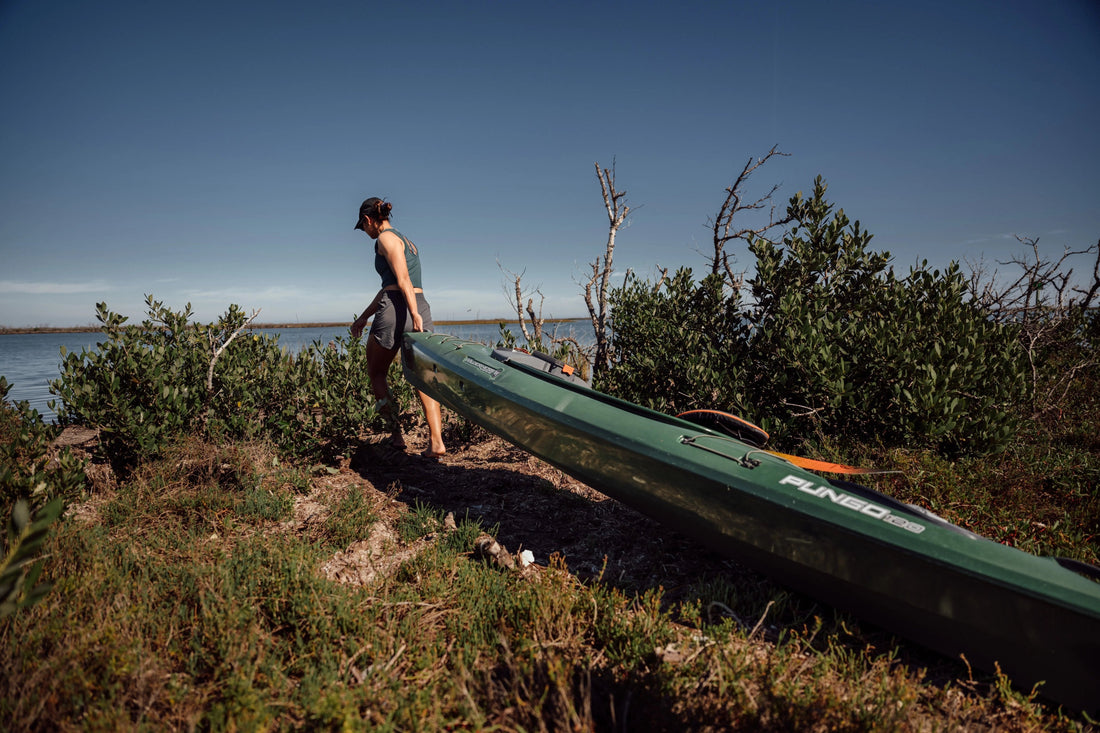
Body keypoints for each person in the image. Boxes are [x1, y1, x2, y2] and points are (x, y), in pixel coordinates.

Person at [350, 197, 446, 458]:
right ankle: (436, 442)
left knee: (376, 373)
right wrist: (363, 317)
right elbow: (391, 285)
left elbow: (402, 280)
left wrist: (412, 314)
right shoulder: (407, 241)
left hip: (399, 308)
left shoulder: (385, 239)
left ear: (368, 220)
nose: (365, 232)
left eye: (363, 227)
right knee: (423, 377)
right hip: (421, 304)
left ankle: (396, 437)